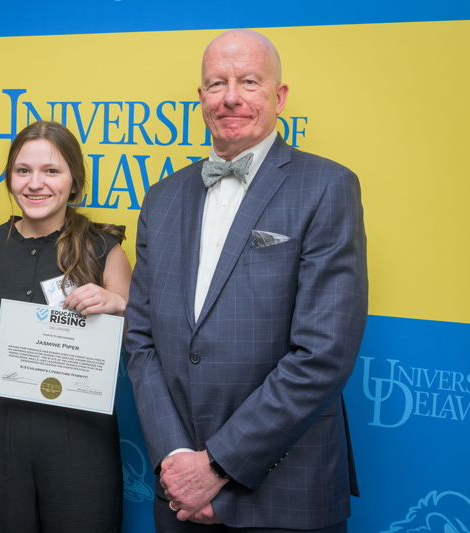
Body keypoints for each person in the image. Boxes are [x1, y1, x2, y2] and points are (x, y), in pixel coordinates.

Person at [125, 29, 368, 532]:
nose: (230, 96)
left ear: (279, 96)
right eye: (216, 83)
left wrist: (215, 467)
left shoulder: (326, 187)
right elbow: (141, 339)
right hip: (179, 496)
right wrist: (178, 461)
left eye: (248, 81)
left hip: (284, 491)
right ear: (201, 99)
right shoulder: (162, 198)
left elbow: (323, 354)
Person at [0, 121, 132, 533]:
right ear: (9, 179)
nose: (35, 183)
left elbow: (138, 340)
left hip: (81, 431)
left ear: (74, 182)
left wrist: (118, 305)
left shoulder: (103, 248)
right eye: (23, 171)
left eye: (51, 171)